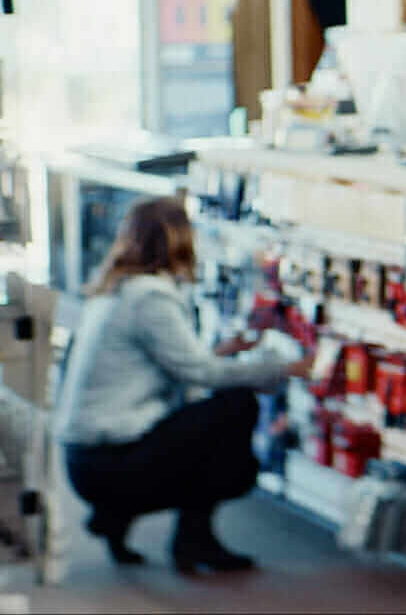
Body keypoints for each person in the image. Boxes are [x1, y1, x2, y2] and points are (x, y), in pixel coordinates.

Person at [55, 196, 309, 573]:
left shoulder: (113, 290)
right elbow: (200, 375)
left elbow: (167, 365)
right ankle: (193, 540)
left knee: (201, 420)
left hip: (84, 459)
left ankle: (115, 518)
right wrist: (287, 368)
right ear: (179, 240)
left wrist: (222, 352)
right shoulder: (150, 297)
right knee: (235, 408)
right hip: (113, 462)